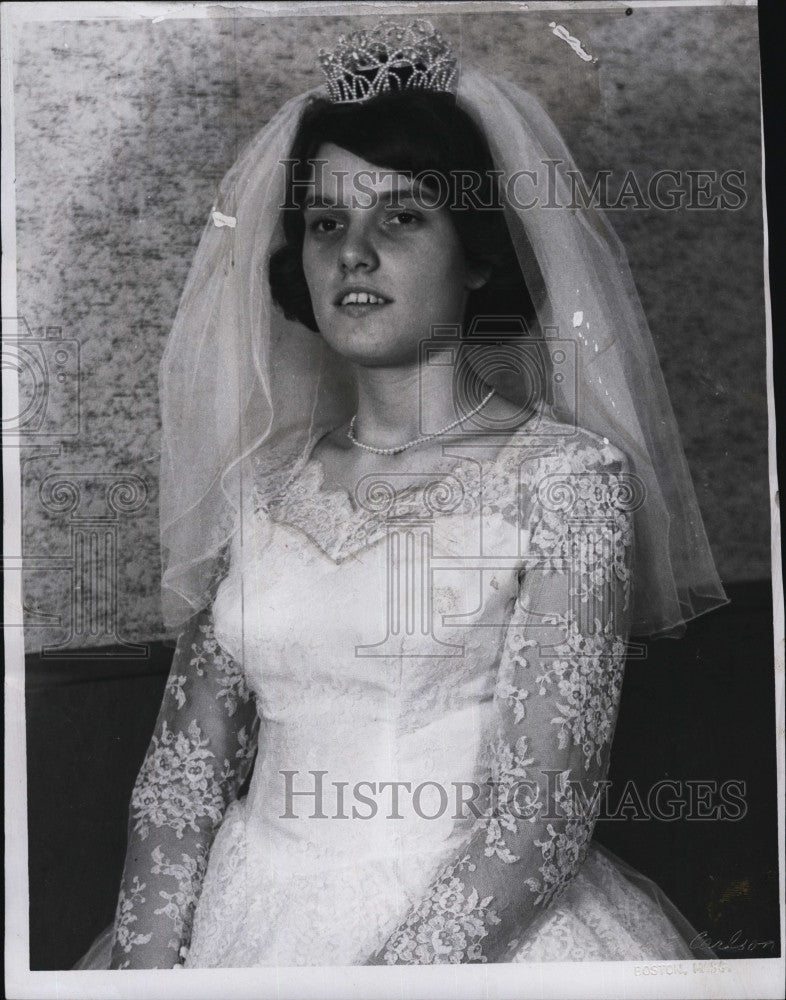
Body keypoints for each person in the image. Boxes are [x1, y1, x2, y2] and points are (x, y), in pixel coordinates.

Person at [76, 19, 728, 969]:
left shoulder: (564, 483)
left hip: (474, 939)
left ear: (478, 253)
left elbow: (541, 815)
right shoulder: (257, 491)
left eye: (404, 216)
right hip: (243, 925)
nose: (356, 253)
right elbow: (181, 783)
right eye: (328, 222)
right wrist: (144, 978)